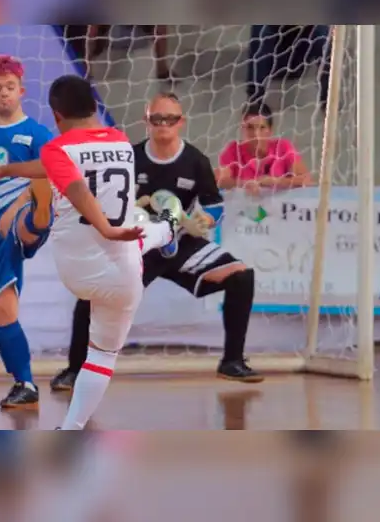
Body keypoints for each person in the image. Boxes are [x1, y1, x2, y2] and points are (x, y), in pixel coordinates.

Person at [0, 75, 181, 431]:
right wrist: (5, 170)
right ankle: (168, 227)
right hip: (124, 273)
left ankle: (162, 229)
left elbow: (77, 186)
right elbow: (63, 170)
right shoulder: (123, 142)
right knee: (101, 355)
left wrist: (105, 227)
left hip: (76, 271)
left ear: (56, 115)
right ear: (95, 107)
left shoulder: (56, 149)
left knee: (131, 228)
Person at [50, 92, 264, 392]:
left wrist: (206, 220)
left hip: (180, 241)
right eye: (157, 118)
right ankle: (75, 369)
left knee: (241, 275)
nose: (164, 124)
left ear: (181, 122)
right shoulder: (128, 156)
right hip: (137, 244)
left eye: (170, 119)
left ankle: (232, 361)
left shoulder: (195, 160)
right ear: (146, 121)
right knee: (92, 294)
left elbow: (214, 204)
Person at [0, 55, 56, 409]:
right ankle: (24, 384)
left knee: (33, 205)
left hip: (16, 218)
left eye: (10, 88)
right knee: (3, 312)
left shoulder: (37, 134)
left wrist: (17, 204)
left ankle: (35, 216)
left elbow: (50, 177)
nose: (4, 94)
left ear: (21, 90)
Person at [215, 102, 314, 195]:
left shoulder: (283, 147)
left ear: (270, 131)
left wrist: (274, 181)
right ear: (242, 129)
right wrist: (244, 184)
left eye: (262, 128)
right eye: (250, 127)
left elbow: (306, 180)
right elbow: (219, 180)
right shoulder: (233, 150)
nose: (255, 134)